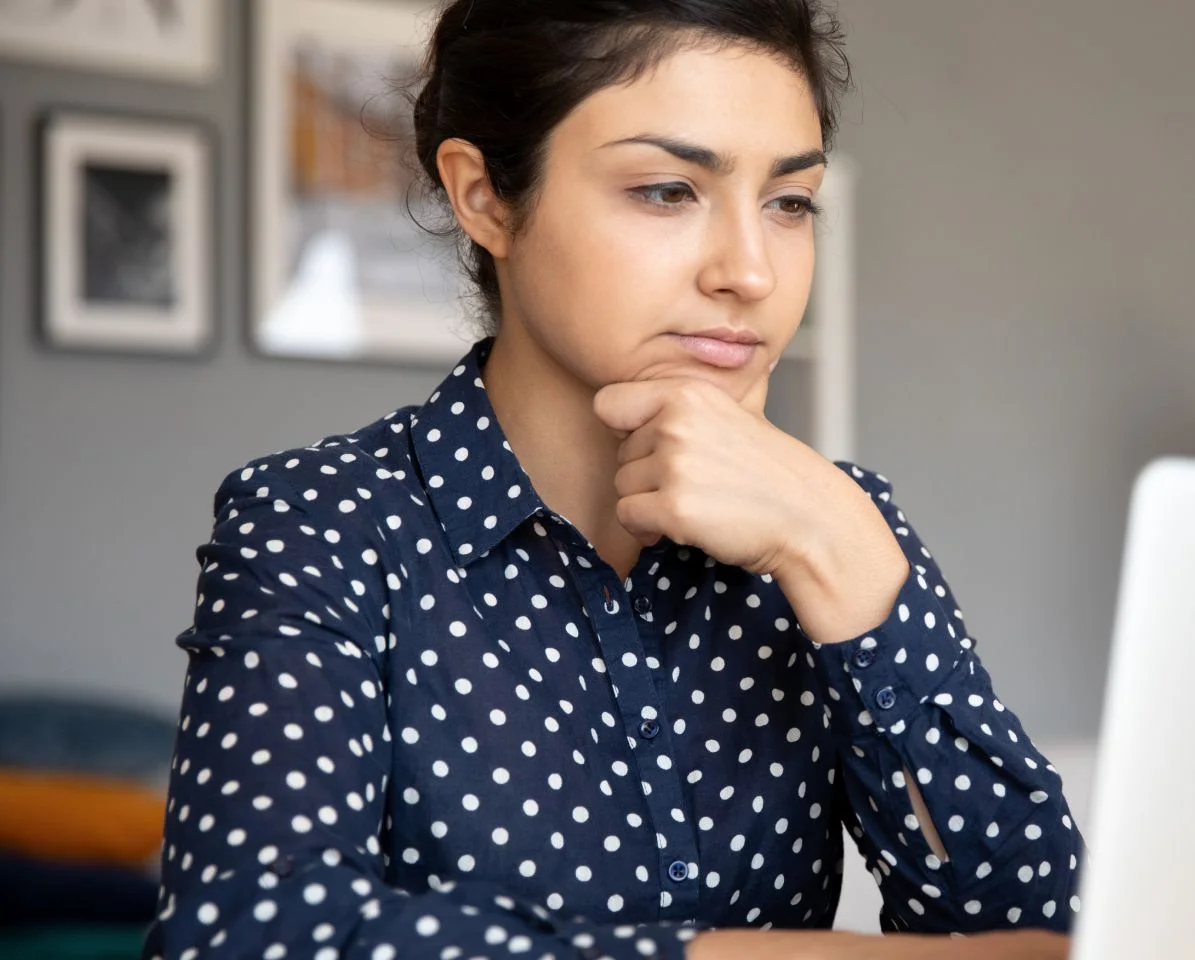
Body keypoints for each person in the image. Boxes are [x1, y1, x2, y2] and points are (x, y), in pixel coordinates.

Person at [141, 2, 1082, 958]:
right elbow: (244, 936)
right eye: (668, 190)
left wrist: (840, 553)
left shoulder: (834, 521)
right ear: (485, 198)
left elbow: (1039, 931)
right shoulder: (322, 521)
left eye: (789, 202)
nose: (750, 272)